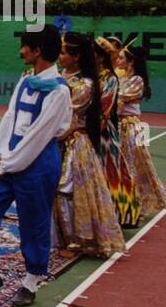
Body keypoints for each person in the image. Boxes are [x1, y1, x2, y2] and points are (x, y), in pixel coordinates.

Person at [0, 26, 72, 307]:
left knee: (33, 223)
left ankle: (31, 282)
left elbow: (39, 135)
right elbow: (9, 118)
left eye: (25, 46)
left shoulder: (60, 91)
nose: (21, 50)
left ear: (37, 51)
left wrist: (7, 164)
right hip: (11, 160)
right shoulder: (25, 80)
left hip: (37, 164)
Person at [52, 33, 125, 257]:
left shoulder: (85, 84)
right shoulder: (56, 77)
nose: (60, 56)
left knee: (66, 189)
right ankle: (59, 237)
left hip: (75, 142)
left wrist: (49, 137)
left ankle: (76, 240)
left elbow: (69, 118)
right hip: (54, 140)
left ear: (76, 57)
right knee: (51, 188)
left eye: (64, 52)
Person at [113, 43, 166, 218]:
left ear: (131, 61)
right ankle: (120, 202)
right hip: (117, 125)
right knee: (117, 165)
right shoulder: (119, 77)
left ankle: (136, 203)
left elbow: (119, 98)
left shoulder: (136, 80)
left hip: (130, 127)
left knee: (134, 164)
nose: (117, 60)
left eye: (121, 57)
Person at [93, 37, 141, 228]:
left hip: (120, 128)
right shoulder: (98, 76)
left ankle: (124, 213)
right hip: (107, 127)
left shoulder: (113, 79)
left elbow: (106, 109)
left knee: (122, 166)